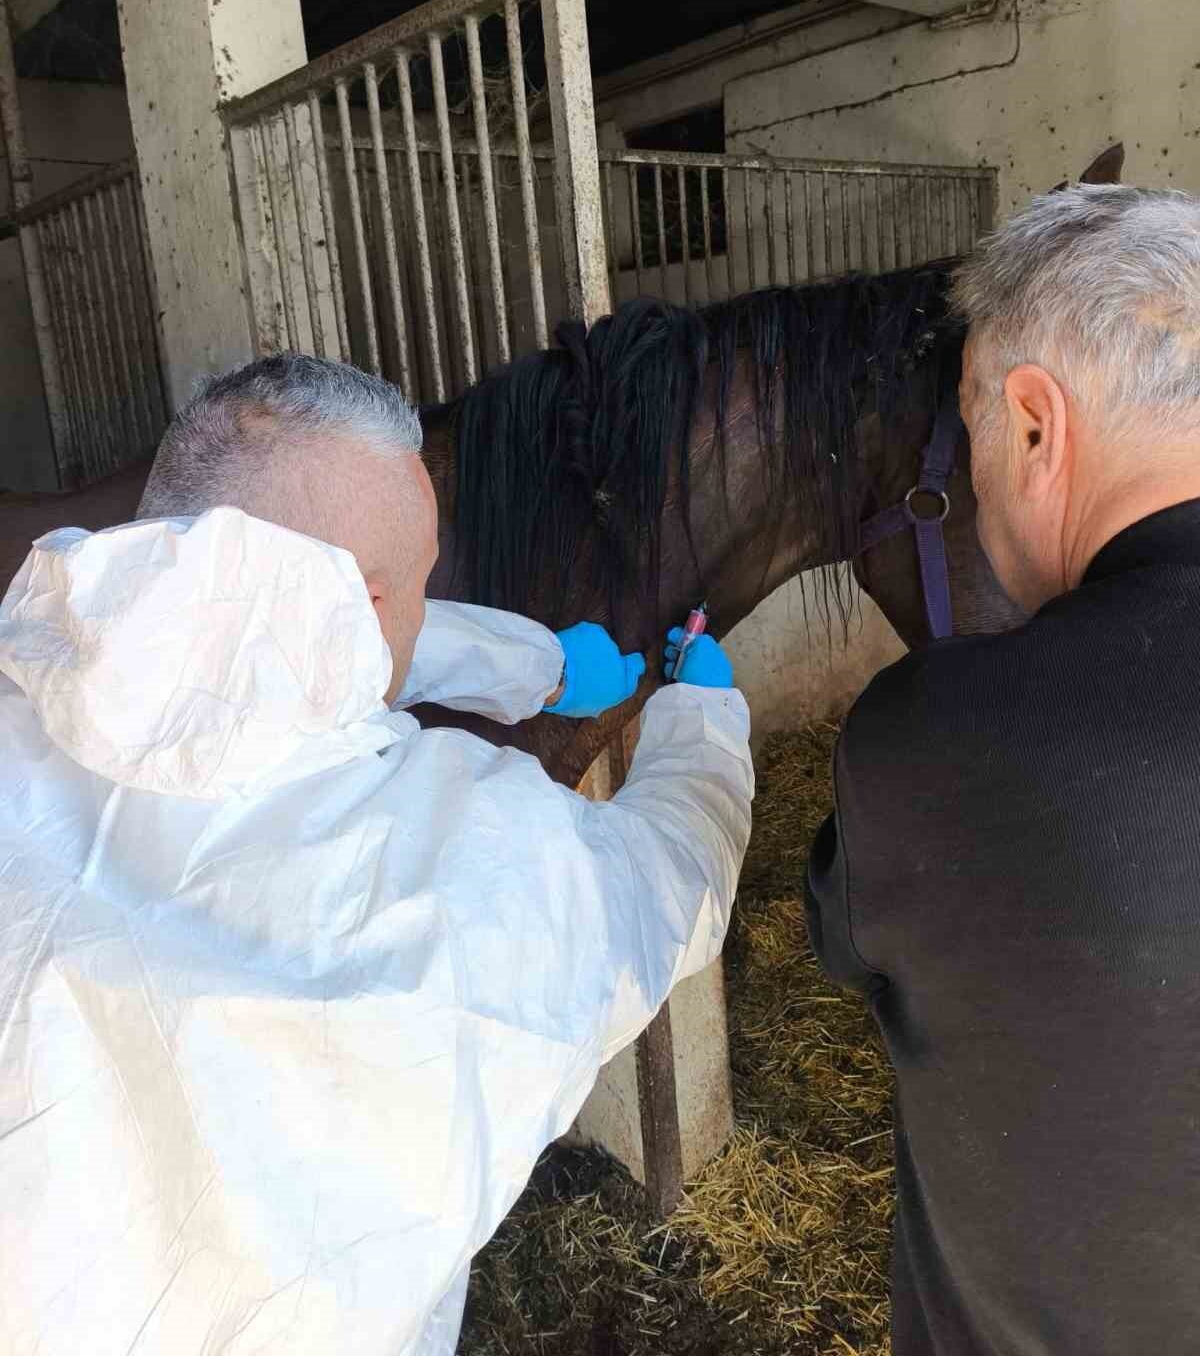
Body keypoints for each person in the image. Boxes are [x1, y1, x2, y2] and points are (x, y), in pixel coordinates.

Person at [0, 354, 752, 1356]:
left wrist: (532, 665)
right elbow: (678, 884)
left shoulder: (28, 690)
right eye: (420, 581)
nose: (420, 602)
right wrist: (703, 718)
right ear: (367, 595)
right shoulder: (484, 862)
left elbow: (257, 641)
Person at [808, 183, 1200, 1355]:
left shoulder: (937, 737)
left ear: (1034, 425)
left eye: (974, 432)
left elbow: (849, 945)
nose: (977, 481)